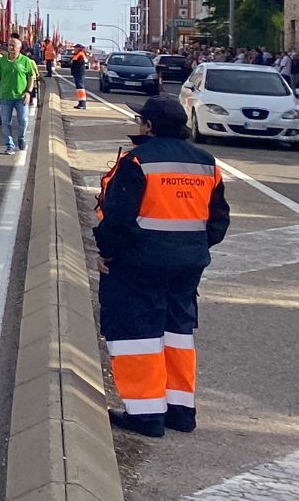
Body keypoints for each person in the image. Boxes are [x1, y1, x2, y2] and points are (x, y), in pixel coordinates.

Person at [96, 96, 229, 438]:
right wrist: (193, 247)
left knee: (137, 335)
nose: (139, 124)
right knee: (177, 334)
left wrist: (107, 254)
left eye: (141, 120)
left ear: (150, 127)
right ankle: (180, 411)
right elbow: (219, 221)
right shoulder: (206, 163)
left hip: (138, 263)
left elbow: (118, 220)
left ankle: (146, 415)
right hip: (188, 264)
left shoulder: (137, 161)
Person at [0, 36, 38, 154]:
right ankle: (9, 145)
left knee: (24, 120)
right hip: (5, 96)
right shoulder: (2, 61)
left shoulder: (26, 61)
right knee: (6, 122)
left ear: (19, 47)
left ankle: (21, 138)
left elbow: (31, 77)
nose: (11, 47)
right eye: (9, 45)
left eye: (13, 45)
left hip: (21, 97)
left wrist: (28, 92)